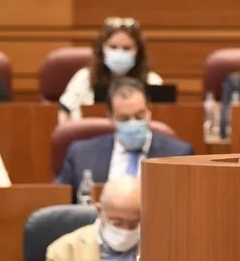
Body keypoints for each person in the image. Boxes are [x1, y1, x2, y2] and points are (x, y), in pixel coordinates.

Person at [57, 77, 192, 200]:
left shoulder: (179, 155)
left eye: (139, 116)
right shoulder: (81, 154)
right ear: (110, 117)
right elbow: (60, 205)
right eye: (124, 118)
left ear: (149, 110)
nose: (133, 123)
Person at [38, 176, 141, 261]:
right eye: (117, 223)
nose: (126, 231)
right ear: (99, 210)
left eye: (134, 224)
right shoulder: (64, 251)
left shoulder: (154, 251)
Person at [58, 17, 163, 123]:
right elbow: (64, 113)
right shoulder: (84, 78)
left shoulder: (152, 81)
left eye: (126, 48)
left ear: (138, 52)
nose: (119, 53)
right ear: (102, 49)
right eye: (113, 47)